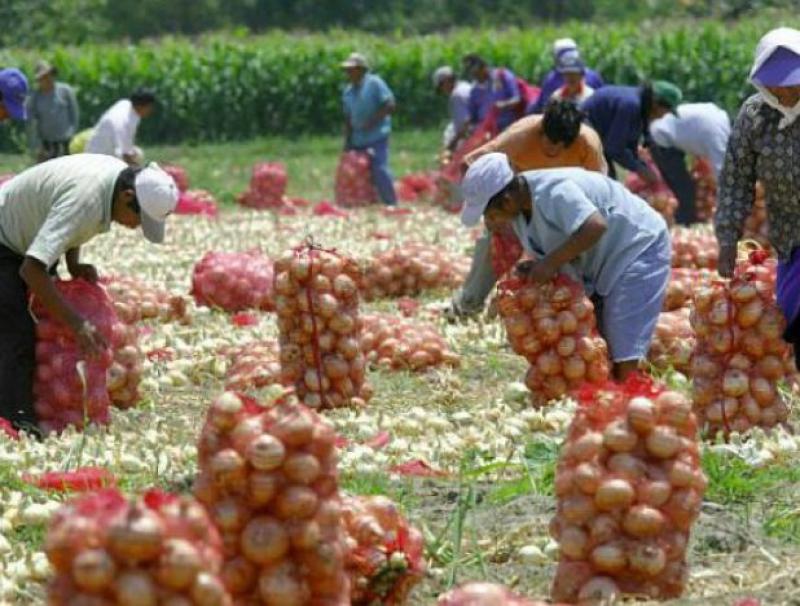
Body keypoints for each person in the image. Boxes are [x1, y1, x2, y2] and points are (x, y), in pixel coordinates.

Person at [0, 155, 178, 433]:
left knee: (43, 321)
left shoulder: (114, 180)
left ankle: (32, 403)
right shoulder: (87, 199)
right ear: (127, 195)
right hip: (4, 238)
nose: (135, 227)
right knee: (16, 332)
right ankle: (16, 421)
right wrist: (77, 323)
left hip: (26, 235)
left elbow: (68, 227)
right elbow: (32, 270)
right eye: (138, 219)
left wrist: (74, 264)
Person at [461, 153, 670, 380]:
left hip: (637, 246)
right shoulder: (520, 214)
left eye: (491, 214)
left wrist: (550, 263)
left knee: (622, 339)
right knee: (597, 345)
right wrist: (533, 267)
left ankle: (631, 396)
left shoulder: (555, 191)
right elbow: (556, 245)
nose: (491, 221)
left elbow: (594, 226)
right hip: (601, 261)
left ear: (507, 201)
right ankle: (608, 398)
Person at [451, 100, 607, 317]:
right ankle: (468, 304)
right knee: (492, 248)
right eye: (549, 142)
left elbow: (600, 189)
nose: (553, 149)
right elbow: (470, 163)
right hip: (513, 203)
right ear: (541, 130)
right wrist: (491, 213)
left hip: (562, 210)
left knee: (568, 261)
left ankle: (564, 312)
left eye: (561, 145)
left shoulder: (588, 142)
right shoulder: (521, 134)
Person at [715, 27, 800, 365]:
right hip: (790, 236)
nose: (784, 89)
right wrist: (727, 237)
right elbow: (736, 177)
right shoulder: (754, 116)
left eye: (792, 81)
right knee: (791, 316)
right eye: (775, 83)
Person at [581, 80, 682, 182]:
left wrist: (642, 164)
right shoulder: (631, 106)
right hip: (582, 136)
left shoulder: (640, 105)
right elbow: (614, 148)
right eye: (666, 111)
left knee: (608, 182)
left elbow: (629, 144)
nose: (663, 116)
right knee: (603, 182)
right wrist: (640, 169)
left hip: (596, 137)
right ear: (656, 103)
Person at [648, 101, 731, 225]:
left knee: (685, 185)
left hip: (668, 130)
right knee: (683, 187)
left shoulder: (722, 118)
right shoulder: (719, 138)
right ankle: (684, 222)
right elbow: (723, 175)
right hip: (661, 138)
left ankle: (685, 217)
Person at [341, 52, 398, 206]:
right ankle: (363, 201)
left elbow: (390, 104)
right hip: (358, 139)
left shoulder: (374, 83)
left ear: (361, 69)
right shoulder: (347, 92)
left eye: (352, 69)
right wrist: (347, 142)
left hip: (377, 136)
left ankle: (391, 202)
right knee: (355, 172)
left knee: (379, 169)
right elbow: (347, 118)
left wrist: (373, 121)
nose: (348, 73)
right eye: (347, 70)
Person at [528, 38, 604, 114]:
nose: (570, 77)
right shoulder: (556, 95)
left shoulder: (590, 95)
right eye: (567, 74)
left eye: (574, 74)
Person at [26, 61, 80, 163]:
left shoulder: (65, 91)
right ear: (39, 80)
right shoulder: (35, 97)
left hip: (66, 141)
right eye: (44, 77)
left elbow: (74, 114)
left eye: (49, 75)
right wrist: (36, 145)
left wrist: (73, 134)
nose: (48, 79)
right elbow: (31, 122)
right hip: (47, 143)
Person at [85, 88, 157, 165]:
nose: (151, 109)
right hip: (99, 160)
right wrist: (139, 170)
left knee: (138, 153)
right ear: (141, 106)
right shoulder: (122, 122)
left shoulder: (126, 104)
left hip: (100, 151)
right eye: (150, 106)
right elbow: (125, 155)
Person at [463, 54, 524, 132]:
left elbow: (517, 99)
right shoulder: (475, 91)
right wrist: (468, 122)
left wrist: (504, 105)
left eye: (477, 73)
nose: (476, 77)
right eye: (473, 75)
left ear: (484, 67)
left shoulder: (503, 76)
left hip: (506, 127)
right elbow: (473, 115)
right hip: (486, 131)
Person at [432, 66, 473, 152]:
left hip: (472, 138)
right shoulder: (466, 85)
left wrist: (452, 144)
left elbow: (464, 125)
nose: (443, 91)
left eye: (441, 86)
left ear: (447, 81)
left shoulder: (456, 95)